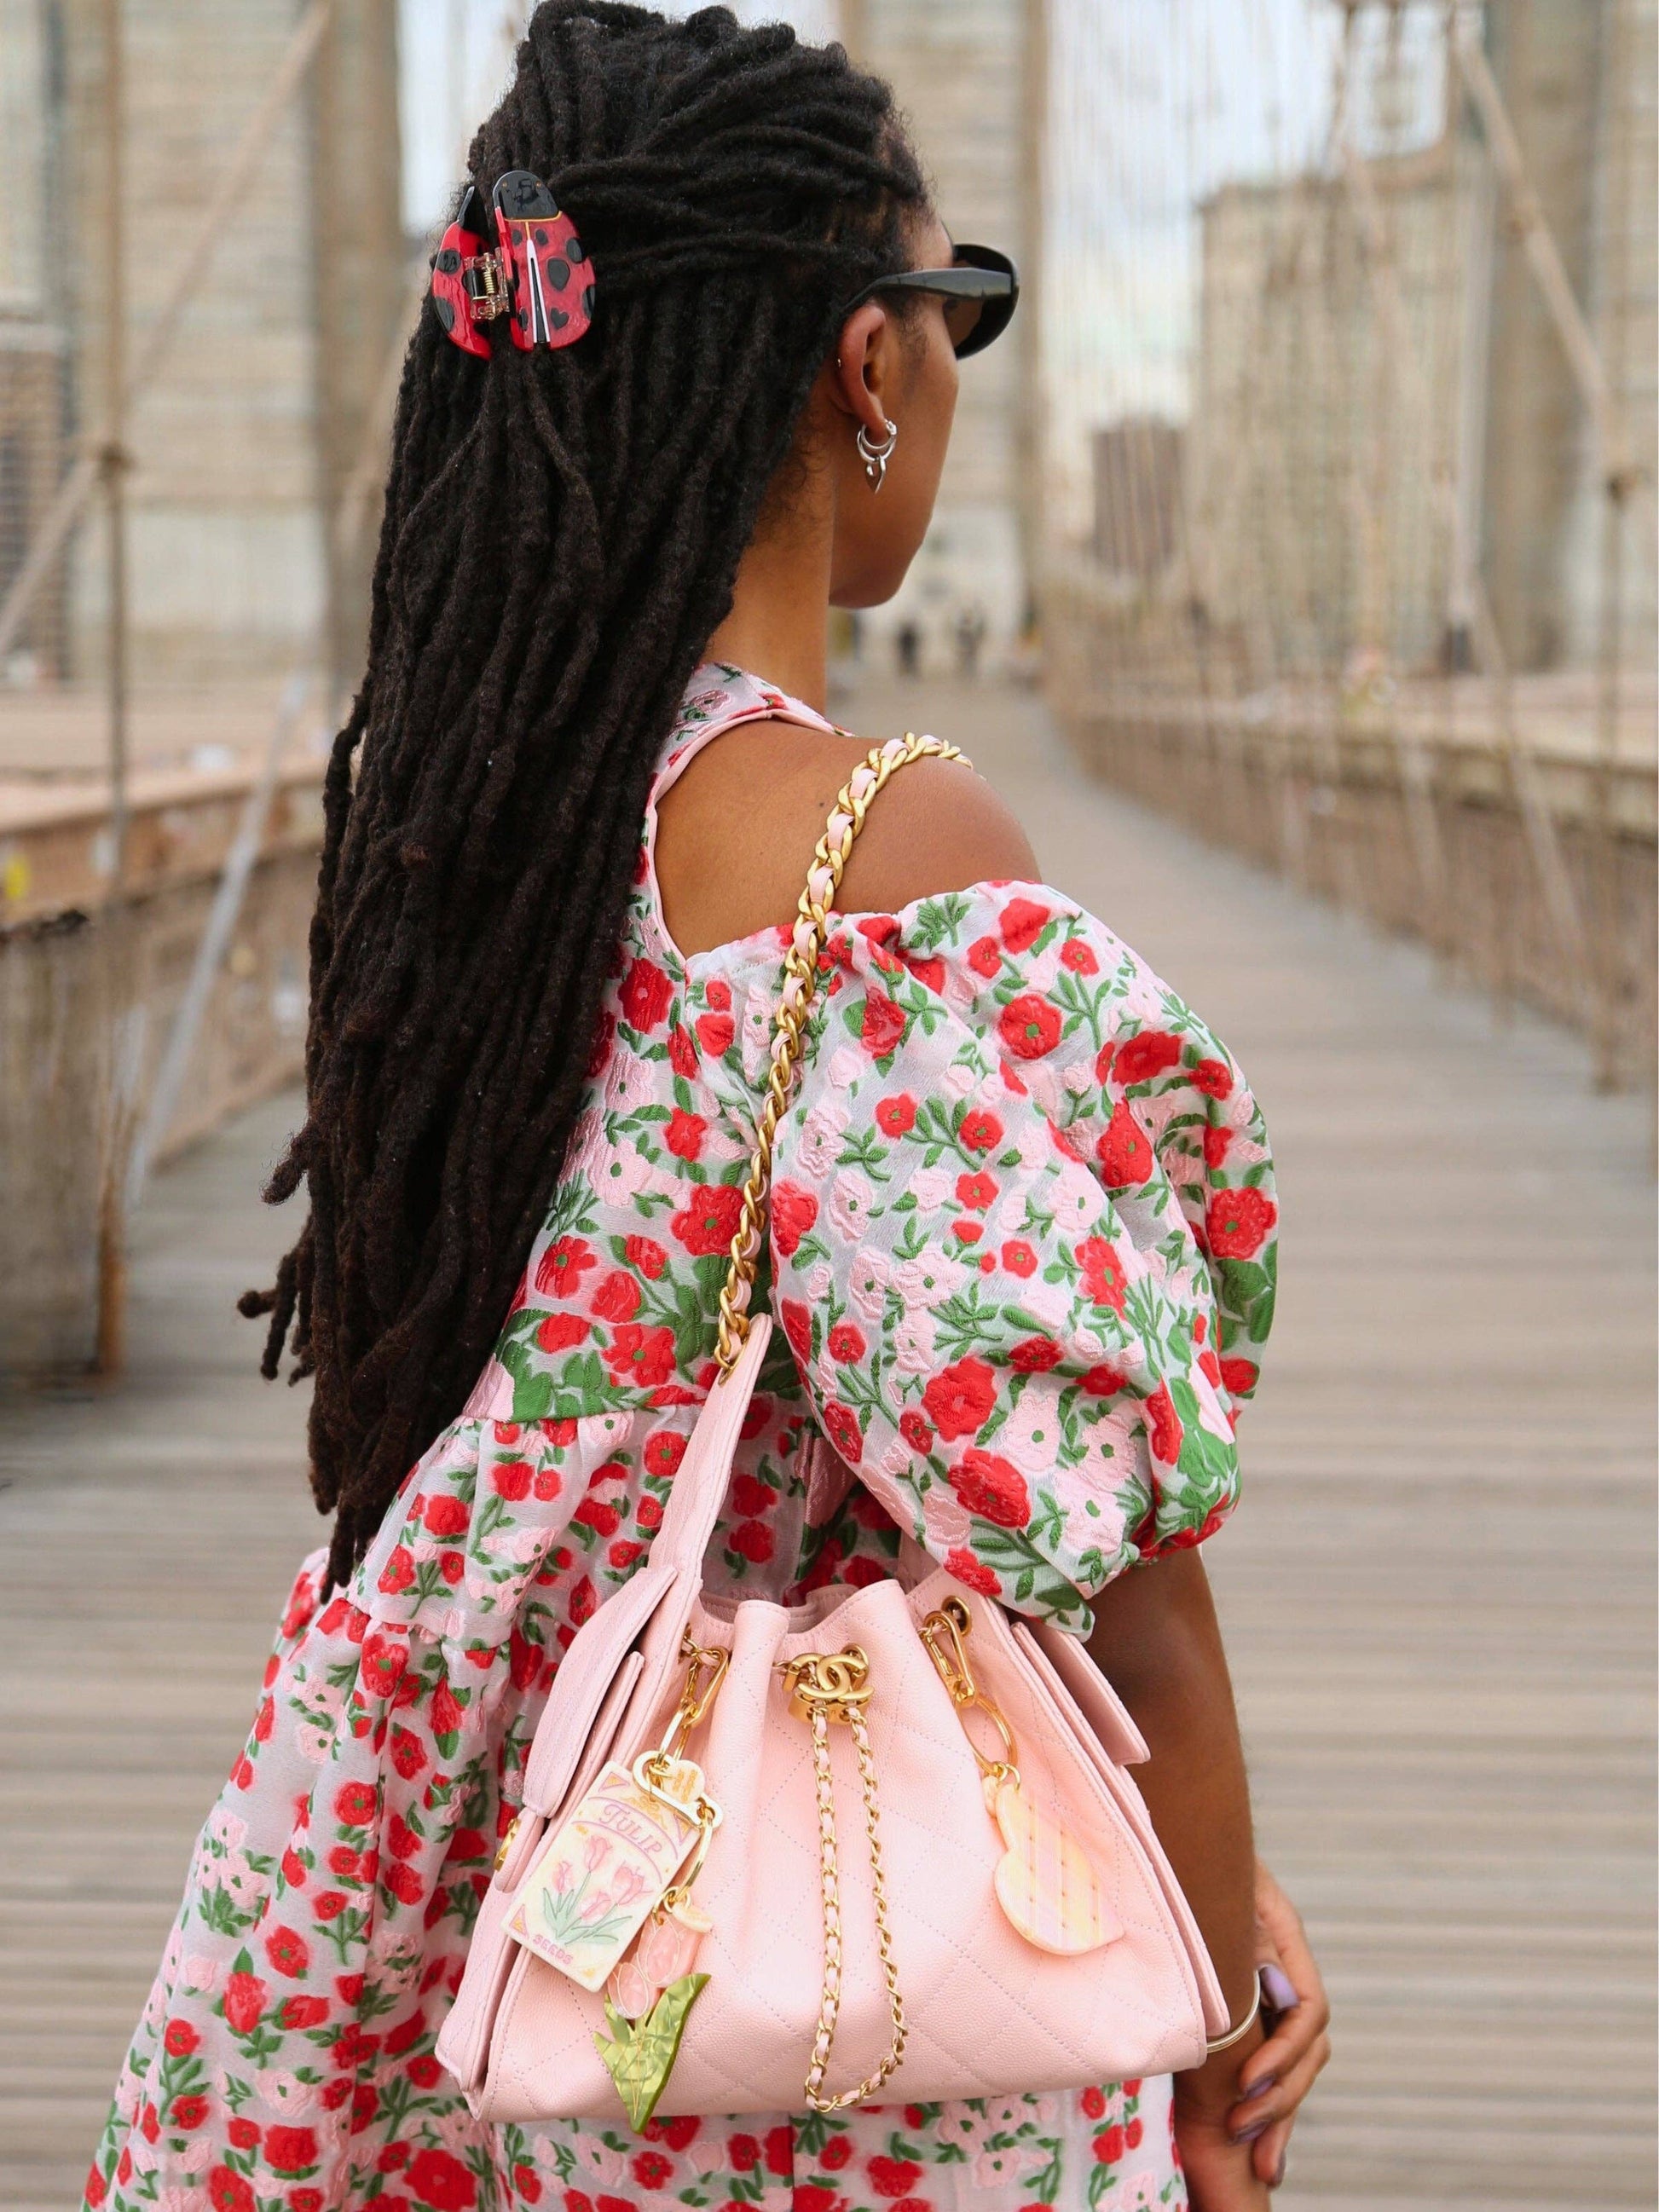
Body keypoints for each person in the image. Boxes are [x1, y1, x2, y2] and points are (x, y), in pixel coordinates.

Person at [84, 8, 1328, 2209]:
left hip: (470, 1876)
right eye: (962, 312)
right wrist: (1210, 2004)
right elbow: (1105, 1567)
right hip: (811, 1967)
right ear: (868, 364)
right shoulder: (885, 851)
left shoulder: (494, 812)